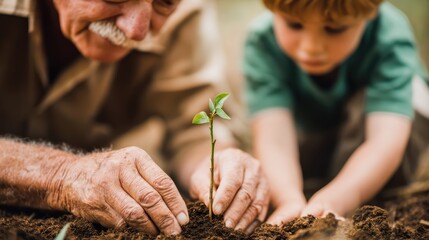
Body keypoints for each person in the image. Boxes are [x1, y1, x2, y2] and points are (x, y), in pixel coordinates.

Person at [0, 0, 269, 236]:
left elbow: (193, 129)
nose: (137, 30)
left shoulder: (185, 11)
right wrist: (64, 175)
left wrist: (219, 168)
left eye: (164, 2)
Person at [243, 0, 429, 225]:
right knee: (287, 169)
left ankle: (362, 194)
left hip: (386, 138)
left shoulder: (390, 38)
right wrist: (287, 198)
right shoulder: (263, 42)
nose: (311, 47)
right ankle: (314, 190)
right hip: (317, 131)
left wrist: (338, 198)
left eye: (334, 29)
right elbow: (274, 138)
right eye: (294, 25)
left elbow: (385, 141)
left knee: (407, 100)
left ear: (370, 13)